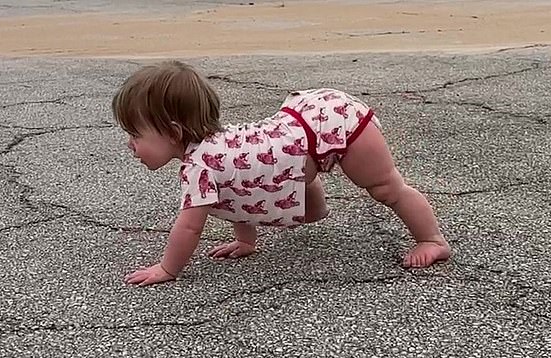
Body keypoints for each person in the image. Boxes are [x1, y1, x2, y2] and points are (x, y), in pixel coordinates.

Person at [113, 61, 451, 287]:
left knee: (386, 188)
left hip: (337, 122)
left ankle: (432, 240)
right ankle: (314, 205)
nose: (130, 145)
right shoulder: (215, 149)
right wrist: (245, 241)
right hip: (311, 122)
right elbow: (237, 192)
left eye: (136, 135)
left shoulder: (199, 167)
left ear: (173, 133)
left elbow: (189, 226)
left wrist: (168, 269)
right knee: (286, 164)